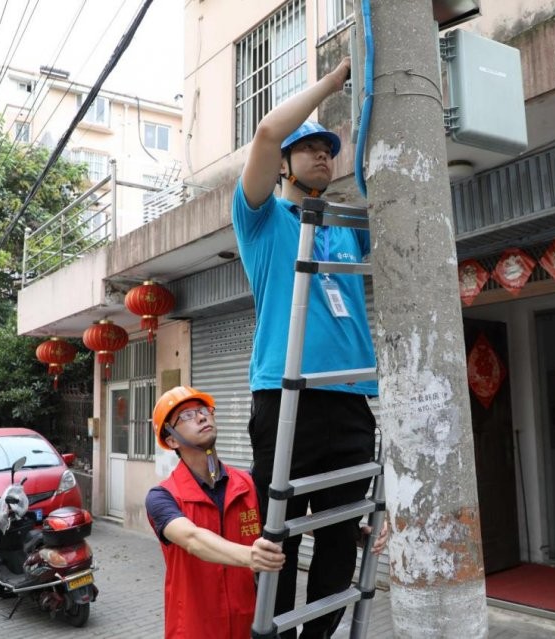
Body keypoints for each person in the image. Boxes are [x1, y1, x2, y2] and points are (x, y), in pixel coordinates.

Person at [233, 57, 384, 639]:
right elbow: (267, 133)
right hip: (285, 397)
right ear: (285, 165)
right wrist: (335, 81)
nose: (324, 155)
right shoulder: (262, 219)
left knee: (343, 538)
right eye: (312, 147)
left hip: (349, 400)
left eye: (330, 148)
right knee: (279, 535)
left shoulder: (345, 224)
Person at [145, 386, 285, 639]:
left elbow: (286, 516)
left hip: (249, 624)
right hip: (195, 628)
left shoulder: (248, 484)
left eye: (203, 410)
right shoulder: (162, 497)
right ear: (172, 440)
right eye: (186, 416)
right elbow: (192, 538)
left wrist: (351, 529)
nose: (201, 417)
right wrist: (250, 556)